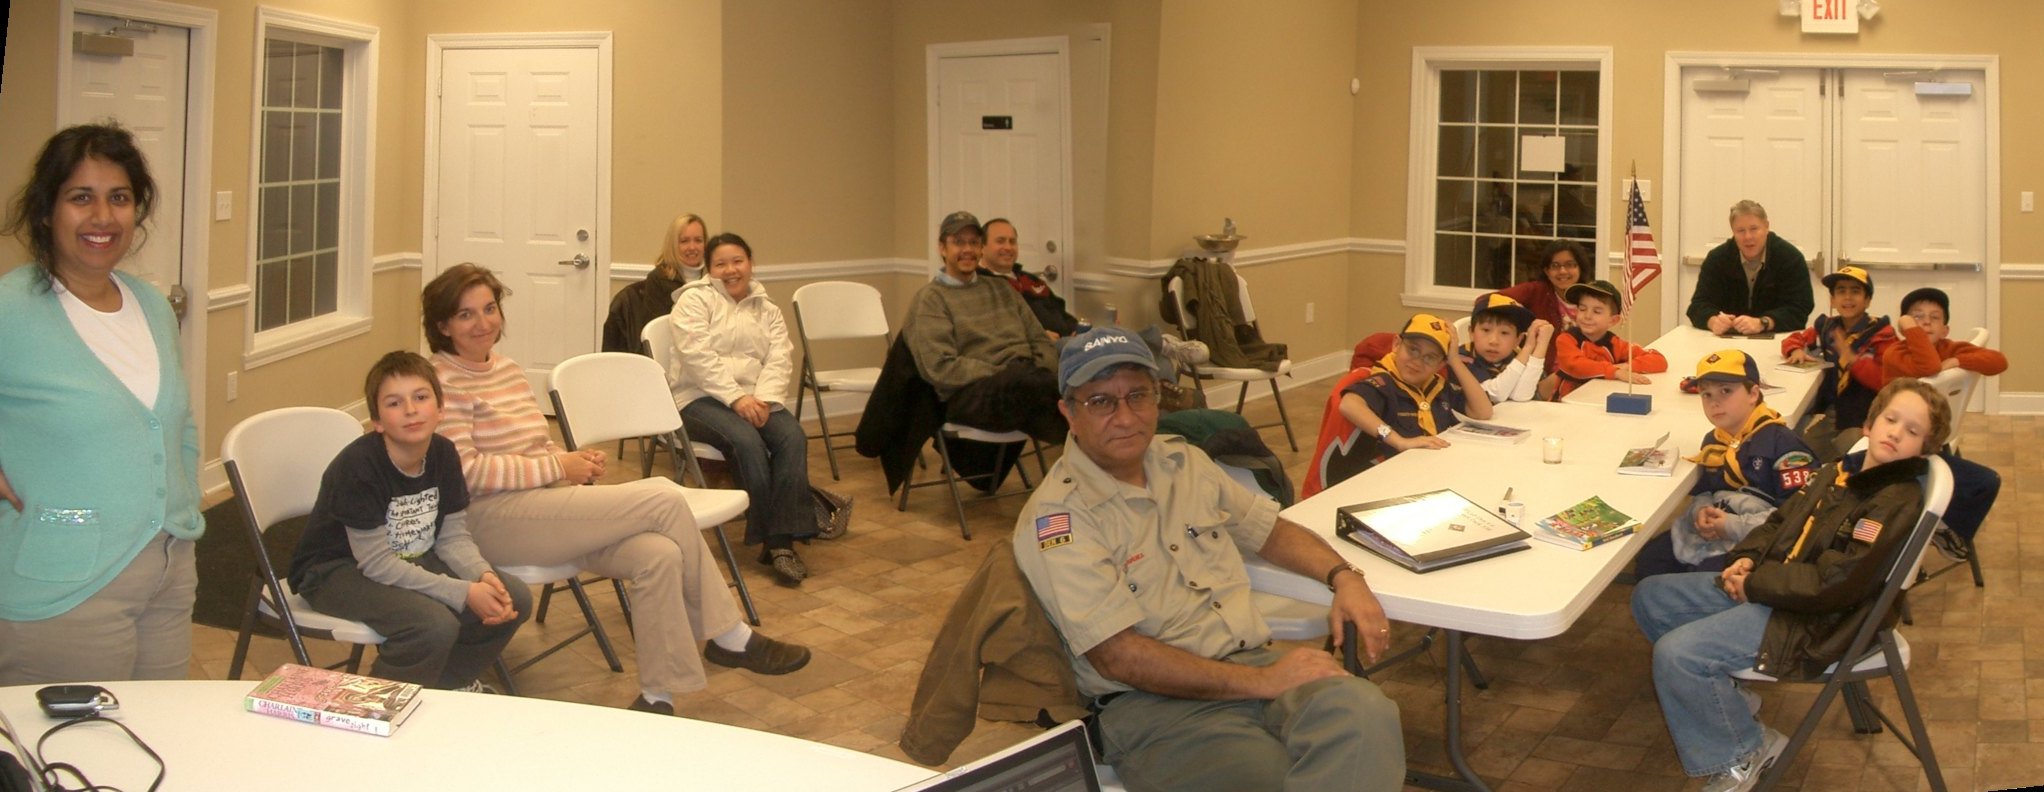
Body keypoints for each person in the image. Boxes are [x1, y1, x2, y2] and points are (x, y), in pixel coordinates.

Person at [1012, 327, 1405, 791]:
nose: (1124, 417)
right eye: (1100, 401)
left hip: (1250, 663)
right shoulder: (1060, 517)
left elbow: (1271, 532)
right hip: (1153, 704)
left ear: (1157, 398)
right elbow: (1119, 657)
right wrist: (1266, 683)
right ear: (1068, 412)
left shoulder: (1185, 463)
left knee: (1368, 715)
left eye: (1137, 395)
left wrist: (1344, 577)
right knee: (1269, 779)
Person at [424, 263, 810, 716]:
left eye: (489, 308)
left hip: (542, 508)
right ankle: (730, 636)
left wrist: (570, 463)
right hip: (488, 521)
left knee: (657, 554)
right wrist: (555, 465)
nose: (484, 322)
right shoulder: (440, 381)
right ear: (442, 325)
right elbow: (465, 473)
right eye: (466, 315)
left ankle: (658, 696)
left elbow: (533, 444)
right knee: (663, 496)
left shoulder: (507, 369)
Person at [1631, 378, 1948, 792]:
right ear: (1870, 423)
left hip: (1819, 619)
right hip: (1780, 587)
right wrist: (1745, 558)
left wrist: (1756, 584)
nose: (1895, 433)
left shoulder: (1892, 501)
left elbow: (1836, 583)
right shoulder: (1839, 471)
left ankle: (1745, 751)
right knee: (1651, 597)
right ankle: (1730, 706)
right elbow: (1782, 520)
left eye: (1912, 431)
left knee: (1678, 655)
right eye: (1891, 419)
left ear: (1924, 448)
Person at [0, 124, 204, 685]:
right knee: (72, 762)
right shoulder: (11, 310)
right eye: (80, 197)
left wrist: (184, 510)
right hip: (64, 588)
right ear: (47, 210)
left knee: (158, 744)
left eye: (119, 198)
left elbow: (177, 422)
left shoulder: (150, 305)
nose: (103, 217)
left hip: (166, 570)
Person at [288, 352, 531, 689]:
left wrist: (483, 575)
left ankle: (445, 689)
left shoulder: (444, 454)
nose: (411, 410)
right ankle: (375, 706)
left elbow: (452, 538)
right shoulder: (359, 467)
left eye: (420, 397)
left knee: (513, 597)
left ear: (440, 409)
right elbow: (375, 563)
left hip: (409, 556)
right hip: (336, 570)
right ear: (377, 421)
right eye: (394, 403)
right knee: (431, 625)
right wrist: (462, 591)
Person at [667, 232, 816, 586]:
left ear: (751, 264)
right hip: (697, 398)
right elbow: (697, 359)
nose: (730, 270)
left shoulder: (768, 309)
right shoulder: (692, 302)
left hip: (757, 398)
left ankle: (778, 540)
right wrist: (736, 398)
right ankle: (777, 542)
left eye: (738, 261)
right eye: (720, 264)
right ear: (709, 269)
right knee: (746, 441)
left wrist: (762, 398)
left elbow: (780, 358)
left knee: (792, 436)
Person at [1632, 351, 1816, 580]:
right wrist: (1701, 511)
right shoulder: (1714, 440)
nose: (1714, 402)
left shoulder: (1784, 445)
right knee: (1651, 560)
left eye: (1725, 391)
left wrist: (1731, 525)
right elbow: (1707, 490)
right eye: (1706, 394)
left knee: (1704, 577)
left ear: (1753, 393)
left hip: (1758, 540)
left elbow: (1797, 514)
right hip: (1718, 523)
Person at [899, 210, 1066, 444]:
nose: (967, 249)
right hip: (970, 393)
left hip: (1026, 381)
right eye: (958, 242)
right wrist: (1002, 372)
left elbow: (1039, 340)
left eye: (974, 243)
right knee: (1063, 398)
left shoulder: (1002, 289)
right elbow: (940, 366)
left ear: (980, 249)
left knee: (1080, 384)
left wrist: (1042, 368)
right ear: (942, 248)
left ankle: (1090, 452)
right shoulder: (931, 300)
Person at [1878, 287, 2006, 555]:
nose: (1925, 322)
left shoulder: (1949, 347)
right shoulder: (1895, 354)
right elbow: (1929, 368)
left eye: (1934, 318)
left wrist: (1958, 359)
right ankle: (1924, 530)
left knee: (1988, 481)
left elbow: (1998, 361)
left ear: (1945, 329)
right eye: (1916, 318)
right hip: (1896, 451)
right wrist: (1913, 334)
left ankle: (1944, 529)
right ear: (1904, 327)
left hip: (1931, 445)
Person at [1326, 314, 1494, 486]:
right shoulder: (1384, 382)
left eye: (1430, 357)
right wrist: (1398, 441)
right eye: (1413, 350)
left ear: (1441, 365)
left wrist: (1455, 360)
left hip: (1433, 472)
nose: (1417, 362)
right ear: (1397, 344)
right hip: (1388, 480)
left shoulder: (1437, 386)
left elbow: (1483, 412)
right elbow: (1349, 404)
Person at [1781, 265, 1896, 458]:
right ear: (1833, 300)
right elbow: (1795, 338)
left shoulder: (1882, 335)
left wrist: (1853, 361)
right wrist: (1796, 349)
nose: (1848, 297)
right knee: (1801, 454)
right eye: (1841, 291)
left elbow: (1886, 381)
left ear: (1867, 300)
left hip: (1871, 415)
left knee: (1852, 453)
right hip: (1837, 413)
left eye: (1855, 291)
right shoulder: (1828, 328)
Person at [1686, 200, 1816, 336]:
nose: (1748, 237)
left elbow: (1800, 309)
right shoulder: (1717, 259)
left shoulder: (1790, 258)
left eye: (1754, 229)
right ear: (1733, 232)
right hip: (1726, 341)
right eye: (1740, 231)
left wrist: (1763, 322)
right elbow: (1697, 306)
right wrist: (1712, 321)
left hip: (1777, 340)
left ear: (1766, 227)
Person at [601, 212, 706, 353]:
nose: (692, 247)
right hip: (674, 352)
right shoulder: (658, 280)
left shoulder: (714, 278)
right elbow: (662, 332)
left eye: (698, 240)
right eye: (684, 241)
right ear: (673, 245)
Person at [1552, 279, 1667, 399]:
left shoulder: (1615, 344)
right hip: (1567, 405)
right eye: (1582, 309)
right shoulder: (1566, 339)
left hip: (1601, 402)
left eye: (1596, 311)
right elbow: (1575, 365)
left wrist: (1628, 367)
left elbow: (1659, 360)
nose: (1587, 316)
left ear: (1613, 320)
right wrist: (1615, 372)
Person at [1497, 239, 1587, 377]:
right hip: (1543, 373)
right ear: (1546, 270)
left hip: (1586, 368)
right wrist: (1518, 312)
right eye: (1555, 266)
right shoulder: (1536, 291)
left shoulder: (1591, 296)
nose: (1563, 271)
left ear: (1580, 268)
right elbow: (1486, 300)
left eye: (1570, 265)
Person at [980, 217, 1080, 338]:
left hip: (1068, 343)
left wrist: (1077, 331)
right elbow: (992, 331)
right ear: (982, 247)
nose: (1008, 247)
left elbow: (1061, 312)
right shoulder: (980, 284)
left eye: (1012, 241)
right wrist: (1038, 338)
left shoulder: (1031, 280)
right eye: (1000, 241)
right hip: (1035, 349)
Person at [1461, 292, 1555, 403]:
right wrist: (1528, 347)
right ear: (1471, 332)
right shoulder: (1460, 359)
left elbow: (1522, 396)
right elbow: (1495, 394)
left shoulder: (1517, 355)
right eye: (1486, 330)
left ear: (1518, 340)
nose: (1494, 341)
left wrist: (1540, 346)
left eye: (1504, 333)